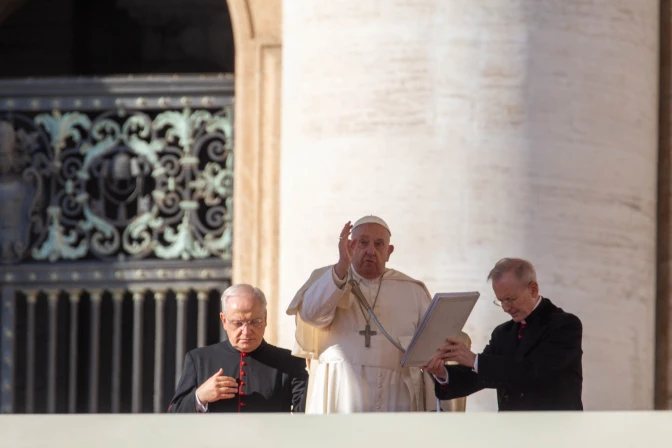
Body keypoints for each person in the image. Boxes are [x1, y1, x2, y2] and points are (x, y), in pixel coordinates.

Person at [286, 215, 467, 413]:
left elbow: (434, 341)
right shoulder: (330, 279)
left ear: (389, 252)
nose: (370, 250)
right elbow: (311, 315)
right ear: (350, 246)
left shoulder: (412, 290)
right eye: (362, 243)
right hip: (341, 390)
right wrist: (341, 267)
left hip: (396, 393)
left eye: (379, 244)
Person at [424, 257, 583, 411]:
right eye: (501, 301)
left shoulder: (565, 326)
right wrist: (442, 373)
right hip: (511, 431)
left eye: (510, 299)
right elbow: (477, 377)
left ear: (533, 290)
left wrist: (474, 360)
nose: (506, 308)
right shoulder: (503, 333)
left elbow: (533, 373)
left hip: (555, 431)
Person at [168, 284, 308, 413]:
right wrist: (200, 396)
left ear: (265, 318)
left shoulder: (289, 362)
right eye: (237, 323)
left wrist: (315, 371)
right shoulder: (199, 359)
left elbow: (308, 412)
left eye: (255, 321)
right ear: (224, 321)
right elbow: (174, 413)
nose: (246, 331)